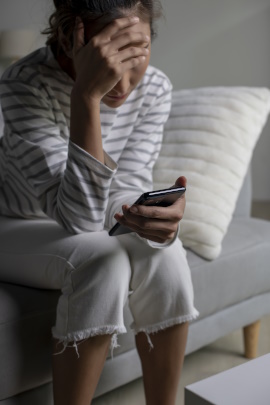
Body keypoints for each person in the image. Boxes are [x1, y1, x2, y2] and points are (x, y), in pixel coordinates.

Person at [0, 1, 198, 404]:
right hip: (15, 221)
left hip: (78, 215)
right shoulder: (23, 85)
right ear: (70, 39)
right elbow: (80, 218)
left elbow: (123, 187)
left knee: (165, 252)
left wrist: (150, 218)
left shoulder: (156, 86)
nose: (122, 84)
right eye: (107, 55)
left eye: (136, 51)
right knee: (101, 259)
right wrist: (86, 96)